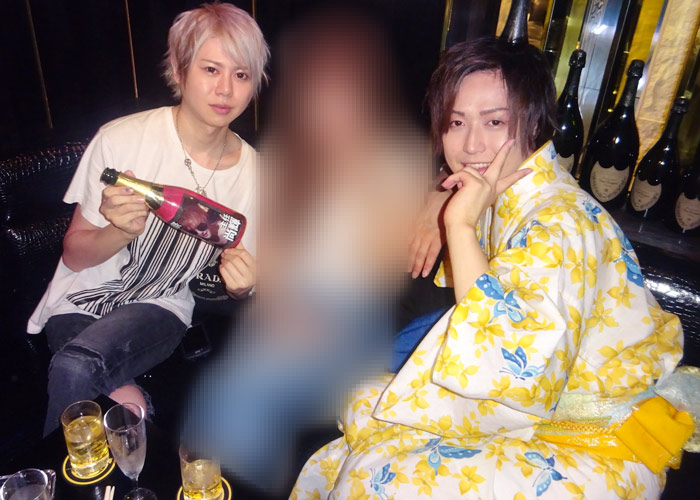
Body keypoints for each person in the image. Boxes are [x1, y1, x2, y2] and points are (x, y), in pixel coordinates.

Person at [291, 38, 687, 499]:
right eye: (456, 123)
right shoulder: (506, 191)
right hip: (542, 403)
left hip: (596, 437)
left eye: (494, 121)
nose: (471, 144)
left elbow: (508, 364)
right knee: (361, 405)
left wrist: (458, 225)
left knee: (376, 477)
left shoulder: (558, 223)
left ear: (533, 121)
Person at [28, 2, 269, 435]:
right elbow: (75, 255)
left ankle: (52, 469)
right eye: (210, 69)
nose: (225, 90)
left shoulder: (256, 176)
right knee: (121, 402)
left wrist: (244, 286)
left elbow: (249, 278)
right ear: (178, 70)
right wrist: (119, 232)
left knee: (75, 366)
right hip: (79, 298)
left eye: (241, 75)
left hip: (160, 306)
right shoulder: (121, 140)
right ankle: (133, 411)